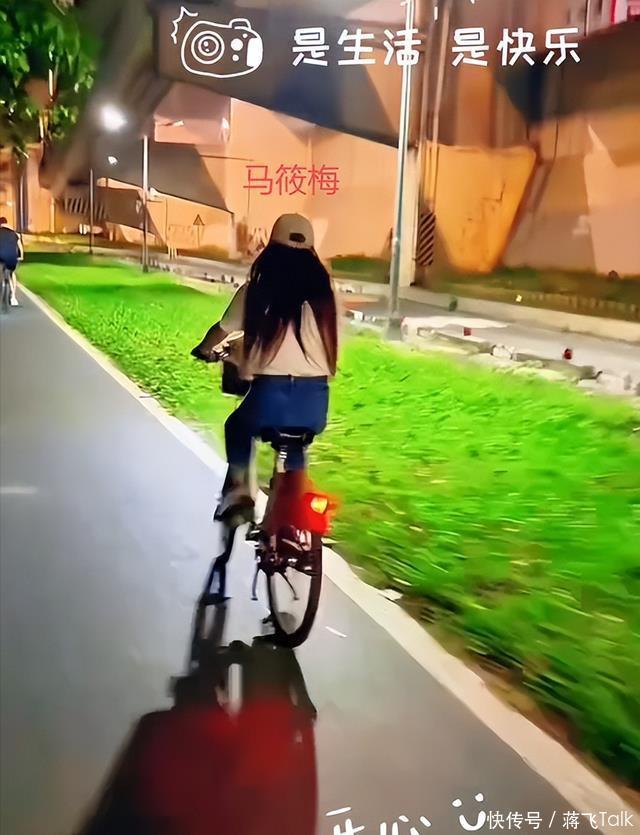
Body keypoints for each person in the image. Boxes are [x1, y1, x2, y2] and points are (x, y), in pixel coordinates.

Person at [192, 213, 338, 521]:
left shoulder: (255, 292)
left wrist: (204, 349)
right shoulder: (327, 299)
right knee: (296, 445)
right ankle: (293, 506)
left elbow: (222, 329)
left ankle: (240, 490)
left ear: (270, 250)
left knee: (237, 427)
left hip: (270, 397)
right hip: (315, 402)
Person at [0, 216, 23, 306]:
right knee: (12, 273)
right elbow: (20, 246)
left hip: (1, 256)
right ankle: (13, 297)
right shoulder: (14, 233)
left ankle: (2, 282)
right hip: (12, 257)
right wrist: (21, 256)